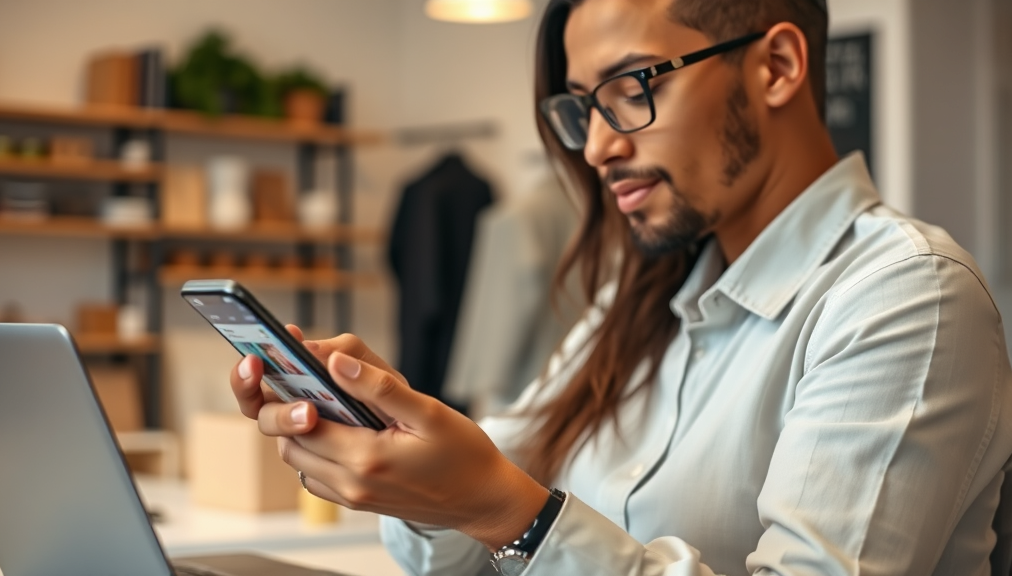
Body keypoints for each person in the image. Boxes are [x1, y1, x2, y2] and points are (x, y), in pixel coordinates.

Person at [227, 0, 1012, 574]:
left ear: (776, 66)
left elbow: (501, 512)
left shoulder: (905, 296)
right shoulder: (633, 304)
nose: (597, 146)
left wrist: (509, 513)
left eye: (632, 86)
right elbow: (450, 556)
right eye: (582, 107)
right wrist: (402, 451)